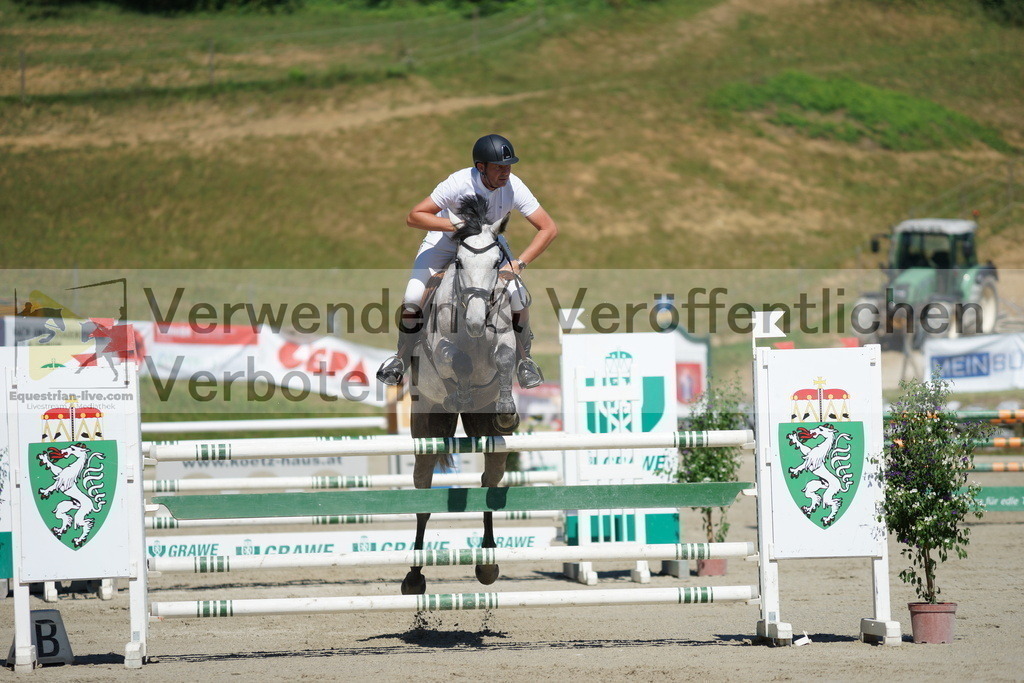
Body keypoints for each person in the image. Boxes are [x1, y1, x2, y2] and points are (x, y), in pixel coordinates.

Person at [376, 133, 558, 389]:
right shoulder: (458, 183)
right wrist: (454, 224)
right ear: (480, 167)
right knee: (413, 297)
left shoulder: (514, 186)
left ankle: (524, 360)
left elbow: (548, 228)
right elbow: (414, 216)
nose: (505, 173)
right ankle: (401, 358)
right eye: (498, 167)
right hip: (446, 241)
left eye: (508, 166)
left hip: (487, 247)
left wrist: (519, 264)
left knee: (518, 298)